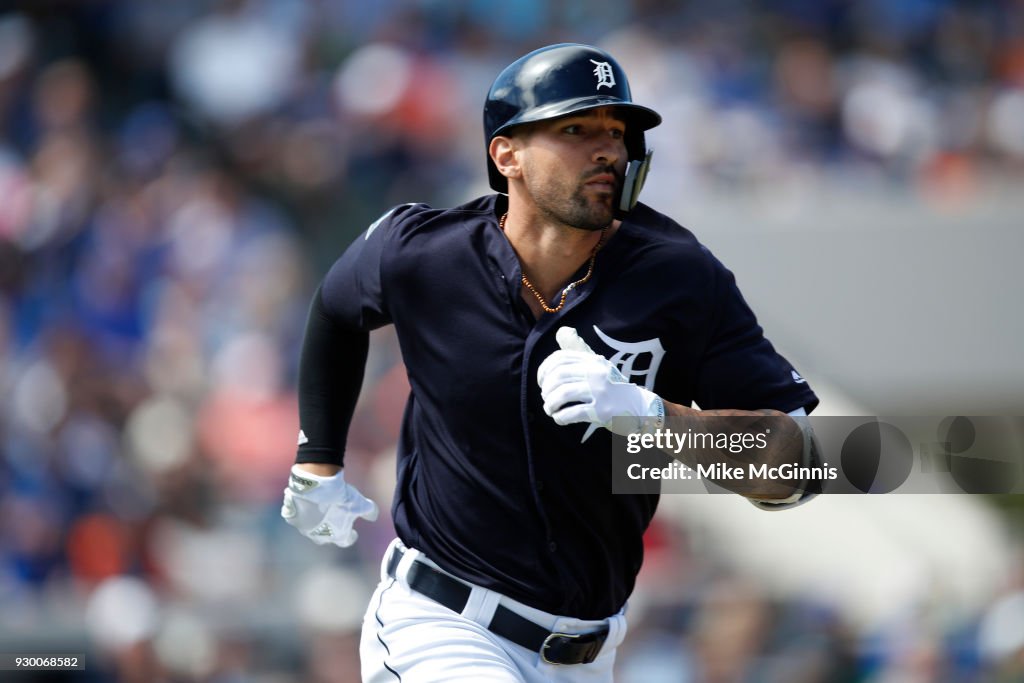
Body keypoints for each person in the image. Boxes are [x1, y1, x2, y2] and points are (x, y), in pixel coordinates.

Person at [281, 43, 819, 682]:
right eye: (575, 129)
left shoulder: (682, 277)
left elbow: (797, 463)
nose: (607, 150)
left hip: (592, 655)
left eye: (616, 133)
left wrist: (654, 419)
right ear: (505, 154)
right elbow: (338, 308)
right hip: (443, 624)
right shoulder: (422, 252)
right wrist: (318, 459)